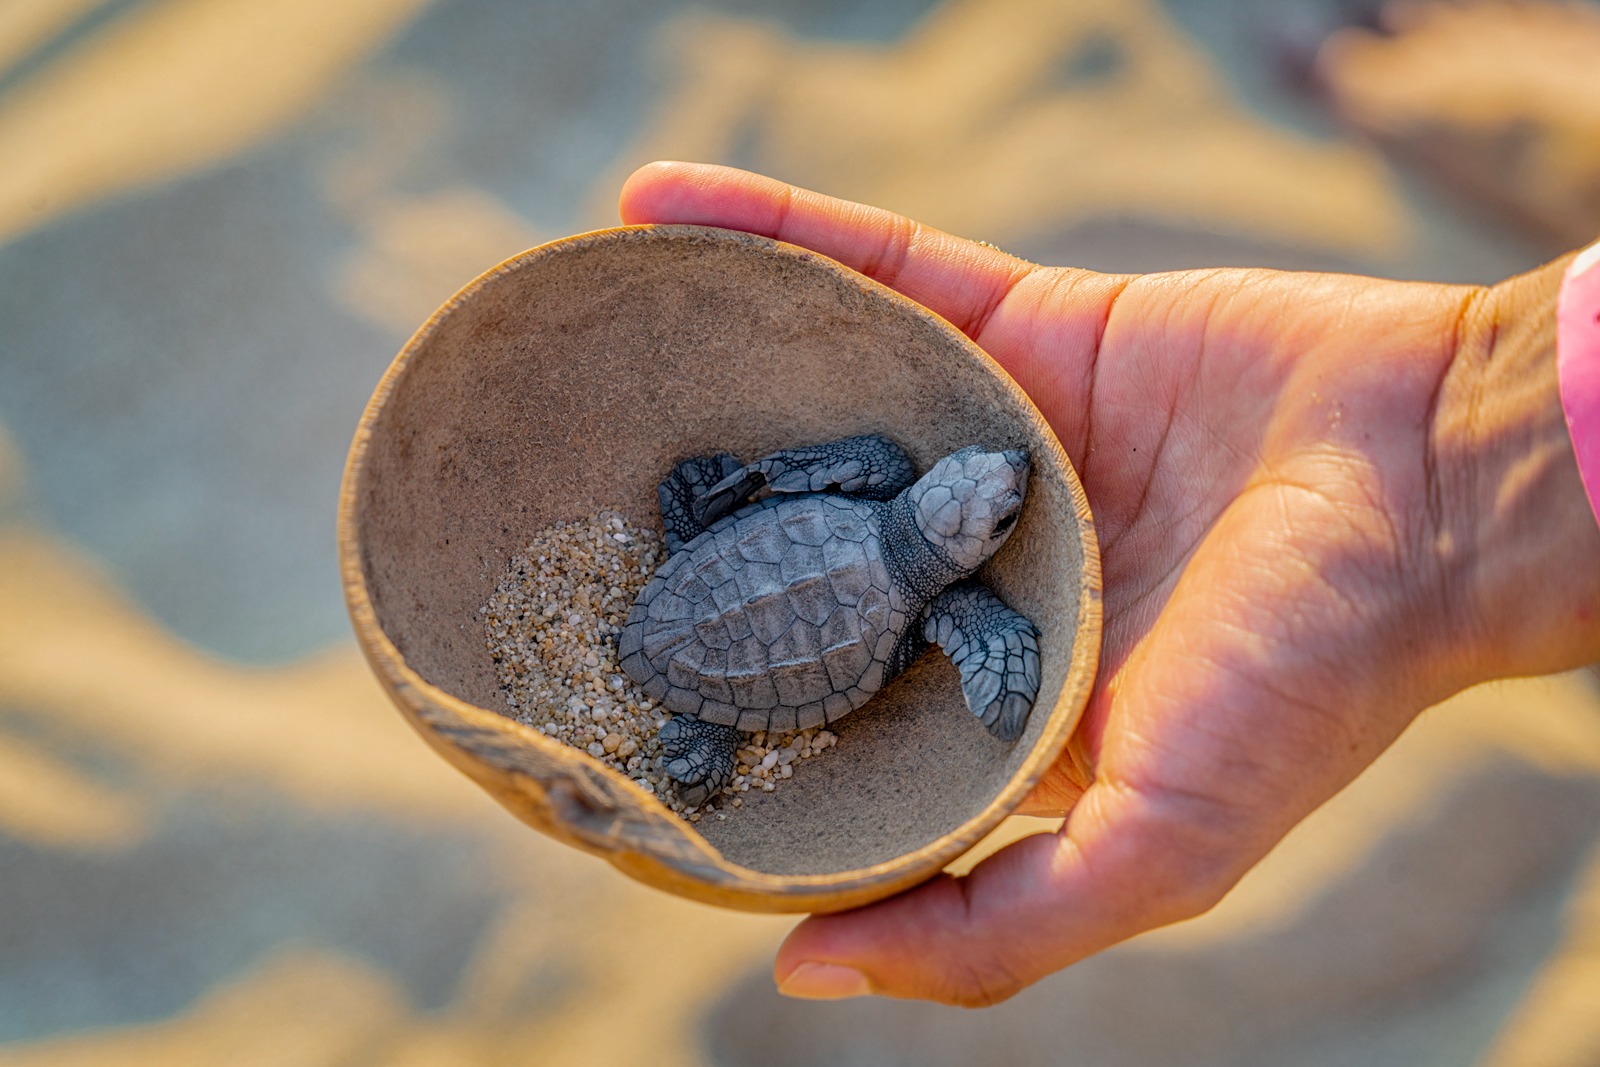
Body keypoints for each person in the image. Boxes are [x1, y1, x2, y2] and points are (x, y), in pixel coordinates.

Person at [617, 160, 1600, 1007]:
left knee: (741, 512)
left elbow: (801, 489)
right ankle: (703, 728)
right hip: (765, 644)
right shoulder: (947, 594)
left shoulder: (874, 481)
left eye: (994, 497)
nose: (1010, 474)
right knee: (751, 707)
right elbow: (1005, 695)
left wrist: (1453, 445)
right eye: (998, 507)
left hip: (758, 560)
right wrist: (1454, 438)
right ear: (952, 530)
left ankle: (697, 645)